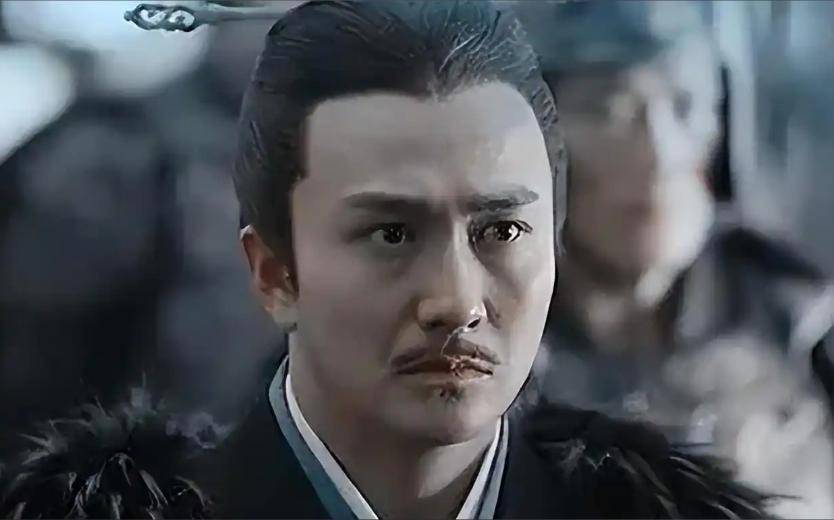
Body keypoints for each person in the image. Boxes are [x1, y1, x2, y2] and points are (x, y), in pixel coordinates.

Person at [0, 2, 773, 518]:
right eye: (393, 235)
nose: (456, 298)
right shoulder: (115, 163)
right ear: (271, 271)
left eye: (503, 231)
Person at [513, 1, 834, 517]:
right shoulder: (498, 344)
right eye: (609, 111)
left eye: (685, 104)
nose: (657, 152)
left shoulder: (799, 318)